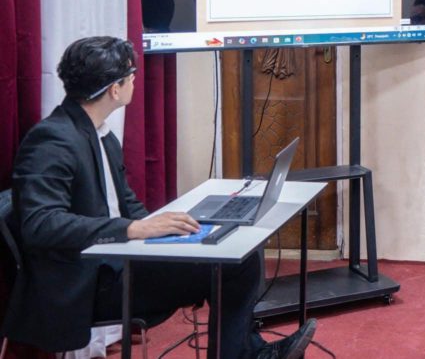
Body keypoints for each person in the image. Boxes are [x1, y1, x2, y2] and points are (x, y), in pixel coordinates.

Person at [3, 36, 316, 358]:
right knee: (235, 266)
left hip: (115, 262)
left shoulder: (99, 133)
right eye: (131, 75)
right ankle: (245, 355)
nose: (135, 80)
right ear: (114, 89)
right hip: (87, 282)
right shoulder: (52, 140)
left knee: (237, 254)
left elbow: (124, 203)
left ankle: (245, 352)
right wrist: (133, 229)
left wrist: (170, 232)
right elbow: (41, 225)